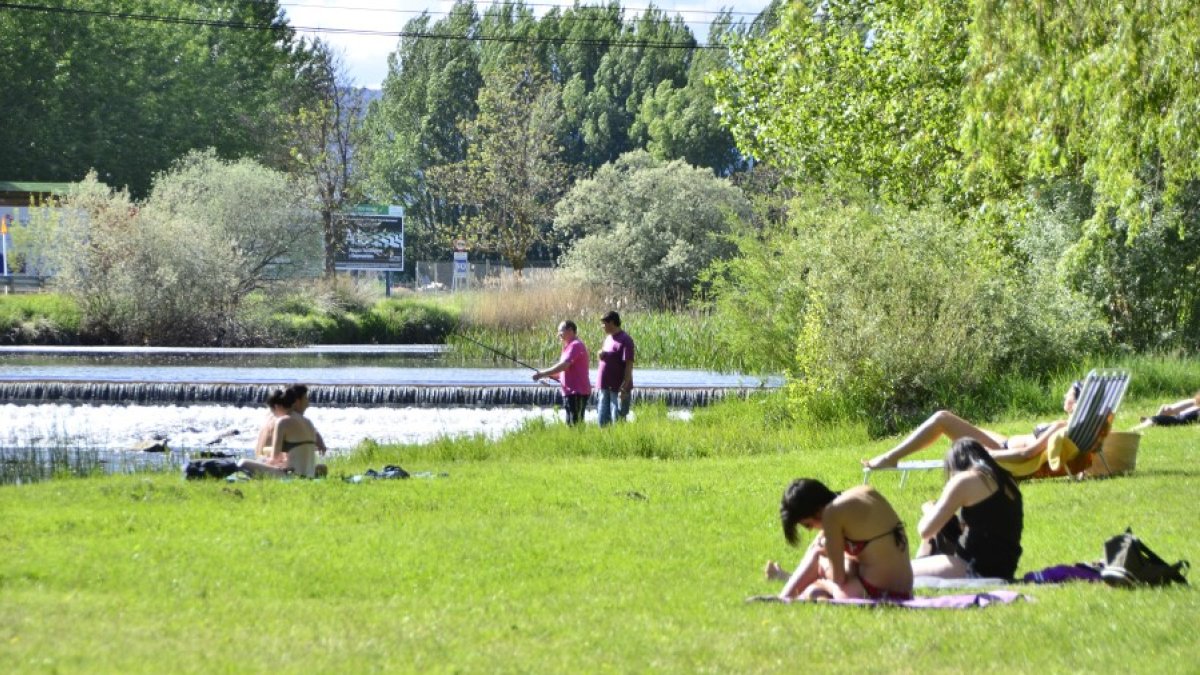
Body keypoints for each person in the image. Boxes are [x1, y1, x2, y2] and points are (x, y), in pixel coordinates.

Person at [863, 381, 1082, 469]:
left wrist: (987, 456)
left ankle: (891, 458)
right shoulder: (1067, 425)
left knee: (942, 419)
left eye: (1070, 393)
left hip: (1001, 451)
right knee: (949, 421)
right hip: (1003, 442)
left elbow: (1026, 454)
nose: (1065, 395)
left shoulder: (1061, 426)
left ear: (1076, 402)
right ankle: (892, 456)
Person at [764, 479, 913, 601]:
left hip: (875, 593)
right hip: (905, 590)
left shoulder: (831, 514)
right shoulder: (862, 492)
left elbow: (838, 579)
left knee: (817, 556)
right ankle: (795, 584)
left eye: (808, 525)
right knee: (819, 576)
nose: (810, 529)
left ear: (817, 512)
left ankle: (783, 598)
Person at [911, 438, 1024, 580]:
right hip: (1004, 568)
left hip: (974, 568)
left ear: (955, 465)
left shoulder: (965, 480)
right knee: (942, 529)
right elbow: (990, 525)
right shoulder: (1006, 479)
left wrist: (927, 509)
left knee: (904, 572)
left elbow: (926, 530)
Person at [238, 384, 327, 478]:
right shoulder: (308, 422)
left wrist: (265, 461)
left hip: (292, 475)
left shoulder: (282, 422)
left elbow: (274, 459)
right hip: (310, 473)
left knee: (243, 463)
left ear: (277, 406)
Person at [532, 320, 592, 426]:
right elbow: (564, 371)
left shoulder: (575, 345)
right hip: (570, 391)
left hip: (577, 391)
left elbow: (564, 365)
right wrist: (548, 375)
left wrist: (542, 373)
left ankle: (578, 441)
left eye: (561, 331)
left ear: (570, 330)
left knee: (575, 423)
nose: (558, 334)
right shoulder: (568, 347)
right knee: (571, 423)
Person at [596, 310, 635, 426]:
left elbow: (629, 365)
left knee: (617, 419)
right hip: (604, 386)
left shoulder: (625, 340)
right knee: (602, 419)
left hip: (618, 388)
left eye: (604, 324)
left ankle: (617, 443)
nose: (602, 327)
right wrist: (600, 355)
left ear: (612, 323)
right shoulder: (608, 338)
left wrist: (624, 386)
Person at [1131, 391, 1200, 430]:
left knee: (1156, 419)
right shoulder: (1194, 403)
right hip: (1175, 419)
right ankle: (1134, 429)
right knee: (1158, 418)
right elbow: (1166, 408)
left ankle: (1133, 430)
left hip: (1176, 421)